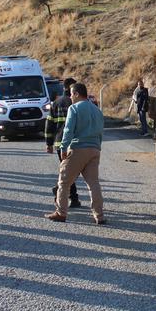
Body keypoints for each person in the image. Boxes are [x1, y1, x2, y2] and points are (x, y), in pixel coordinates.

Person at [46, 82, 105, 224]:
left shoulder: (74, 108)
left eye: (72, 94)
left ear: (77, 94)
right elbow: (101, 131)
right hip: (94, 149)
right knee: (93, 184)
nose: (70, 97)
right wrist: (97, 147)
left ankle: (61, 212)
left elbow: (68, 130)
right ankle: (99, 215)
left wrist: (63, 148)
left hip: (78, 148)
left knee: (64, 182)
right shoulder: (97, 110)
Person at [45, 78, 81, 209]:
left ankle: (71, 196)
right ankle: (68, 194)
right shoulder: (78, 103)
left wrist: (49, 143)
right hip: (76, 143)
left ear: (63, 87)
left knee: (68, 170)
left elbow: (49, 124)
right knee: (73, 171)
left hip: (60, 144)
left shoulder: (56, 103)